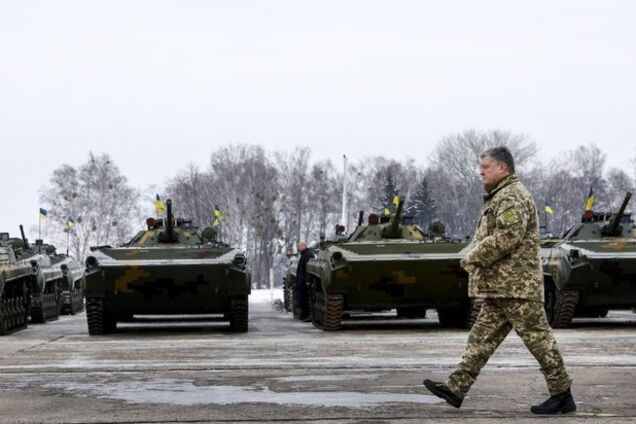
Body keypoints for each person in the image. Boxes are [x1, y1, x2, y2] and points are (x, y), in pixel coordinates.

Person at [423, 146, 576, 415]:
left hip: (517, 288)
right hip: (502, 287)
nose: (481, 172)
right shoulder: (500, 196)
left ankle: (562, 395)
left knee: (540, 342)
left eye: (486, 167)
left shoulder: (512, 196)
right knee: (480, 339)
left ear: (502, 168)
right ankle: (456, 388)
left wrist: (473, 256)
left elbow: (508, 237)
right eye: (481, 167)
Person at [294, 240, 314, 322]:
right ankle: (304, 315)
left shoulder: (308, 255)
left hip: (305, 283)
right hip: (302, 282)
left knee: (306, 300)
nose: (298, 248)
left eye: (299, 246)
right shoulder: (304, 255)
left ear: (304, 246)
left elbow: (308, 269)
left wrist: (307, 280)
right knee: (302, 299)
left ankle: (308, 315)